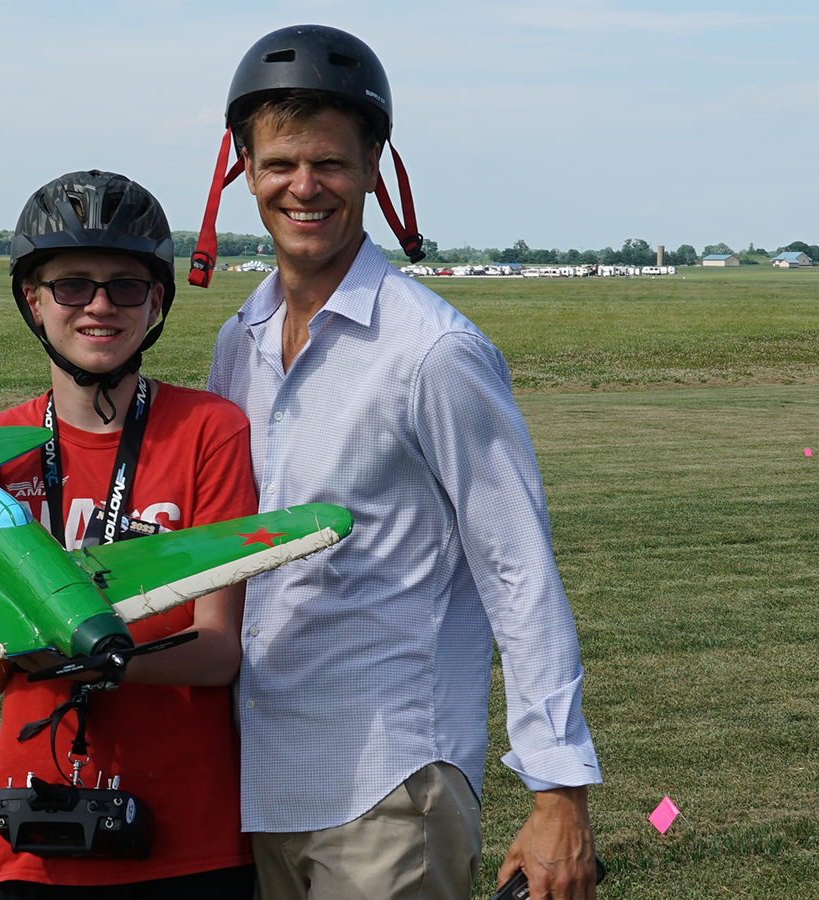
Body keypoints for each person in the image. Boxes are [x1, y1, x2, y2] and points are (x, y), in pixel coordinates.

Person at [195, 25, 602, 900]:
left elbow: (518, 568)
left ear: (375, 167)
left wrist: (559, 790)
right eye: (280, 164)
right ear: (244, 168)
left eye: (332, 164)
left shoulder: (434, 354)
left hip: (389, 786)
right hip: (259, 778)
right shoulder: (238, 343)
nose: (305, 187)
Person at [0, 170, 258, 899]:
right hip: (36, 835)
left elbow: (217, 653)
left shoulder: (210, 430)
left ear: (157, 303)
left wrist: (106, 661)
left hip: (191, 836)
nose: (100, 307)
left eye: (126, 286)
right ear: (34, 300)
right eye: (72, 285)